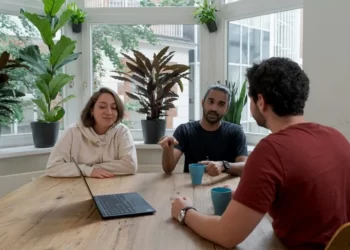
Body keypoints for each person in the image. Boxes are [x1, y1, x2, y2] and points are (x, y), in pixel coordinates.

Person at [170, 57, 350, 250]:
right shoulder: (337, 137)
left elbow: (225, 235)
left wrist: (185, 211)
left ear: (261, 101)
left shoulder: (270, 151)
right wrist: (255, 199)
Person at [46, 87, 137, 178]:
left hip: (113, 185)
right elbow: (53, 167)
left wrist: (92, 168)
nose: (109, 112)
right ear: (92, 110)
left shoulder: (122, 132)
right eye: (102, 107)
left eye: (114, 108)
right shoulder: (72, 132)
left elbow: (130, 165)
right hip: (77, 187)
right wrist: (87, 171)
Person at [159, 84, 248, 177]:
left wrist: (223, 165)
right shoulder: (184, 130)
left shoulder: (235, 132)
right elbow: (168, 169)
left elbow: (245, 167)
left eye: (221, 104)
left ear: (226, 110)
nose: (214, 108)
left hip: (223, 189)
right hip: (192, 187)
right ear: (202, 103)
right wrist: (168, 149)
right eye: (211, 101)